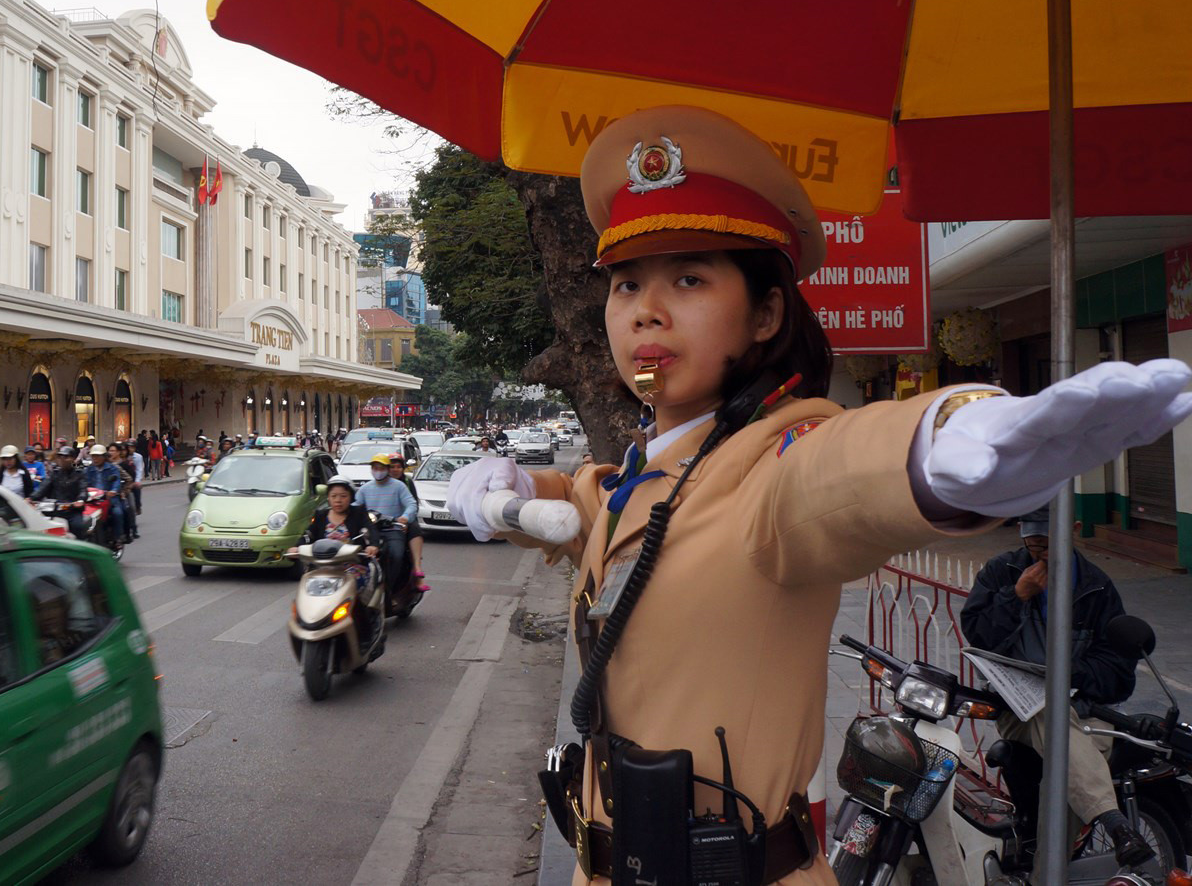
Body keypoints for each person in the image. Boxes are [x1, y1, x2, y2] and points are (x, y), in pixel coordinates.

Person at [442, 106, 1192, 885]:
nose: (645, 309)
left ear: (766, 313)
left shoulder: (770, 467)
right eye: (627, 282)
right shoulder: (654, 469)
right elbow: (596, 503)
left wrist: (941, 442)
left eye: (689, 278)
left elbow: (834, 479)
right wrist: (515, 483)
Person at [960, 508, 1149, 865]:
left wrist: (1068, 675)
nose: (1039, 551)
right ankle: (1115, 823)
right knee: (1047, 708)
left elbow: (1118, 673)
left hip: (1087, 710)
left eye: (1048, 543)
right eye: (1032, 543)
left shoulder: (1097, 587)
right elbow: (978, 635)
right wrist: (1016, 596)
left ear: (1074, 529)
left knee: (1061, 785)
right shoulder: (1003, 572)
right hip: (1020, 710)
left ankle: (1043, 873)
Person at [353, 454, 417, 589]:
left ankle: (390, 587)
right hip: (370, 531)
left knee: (396, 555)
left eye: (381, 468)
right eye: (375, 468)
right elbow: (355, 507)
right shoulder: (365, 489)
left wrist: (405, 517)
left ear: (387, 469)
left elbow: (411, 504)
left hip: (393, 530)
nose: (378, 471)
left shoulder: (399, 486)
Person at [387, 454, 429, 591]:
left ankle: (417, 574)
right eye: (392, 467)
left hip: (404, 520)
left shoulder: (407, 482)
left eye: (398, 467)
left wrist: (405, 518)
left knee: (414, 531)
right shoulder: (379, 482)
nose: (395, 470)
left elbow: (413, 504)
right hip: (384, 521)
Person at [30, 446, 88, 538]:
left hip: (73, 510)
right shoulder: (55, 473)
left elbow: (83, 489)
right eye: (60, 457)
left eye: (66, 457)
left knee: (78, 526)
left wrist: (80, 500)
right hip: (55, 509)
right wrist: (31, 498)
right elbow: (43, 487)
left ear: (73, 458)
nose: (62, 459)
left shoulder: (79, 474)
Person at [83, 444, 127, 548]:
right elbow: (84, 482)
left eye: (98, 456)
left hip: (109, 498)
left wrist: (113, 491)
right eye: (93, 456)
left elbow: (116, 481)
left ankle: (118, 538)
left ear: (104, 457)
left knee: (117, 512)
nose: (95, 458)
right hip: (92, 499)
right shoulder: (89, 469)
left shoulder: (112, 468)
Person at [108, 443, 139, 540]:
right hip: (107, 493)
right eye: (110, 451)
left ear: (118, 452)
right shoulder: (106, 465)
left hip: (123, 492)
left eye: (113, 451)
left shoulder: (124, 464)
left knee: (129, 508)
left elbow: (130, 478)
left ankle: (131, 530)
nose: (111, 453)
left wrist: (124, 491)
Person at [127, 442, 145, 515]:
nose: (130, 449)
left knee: (137, 489)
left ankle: (138, 506)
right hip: (125, 479)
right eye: (129, 447)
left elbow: (139, 469)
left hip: (134, 478)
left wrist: (137, 481)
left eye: (132, 447)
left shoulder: (138, 457)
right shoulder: (124, 456)